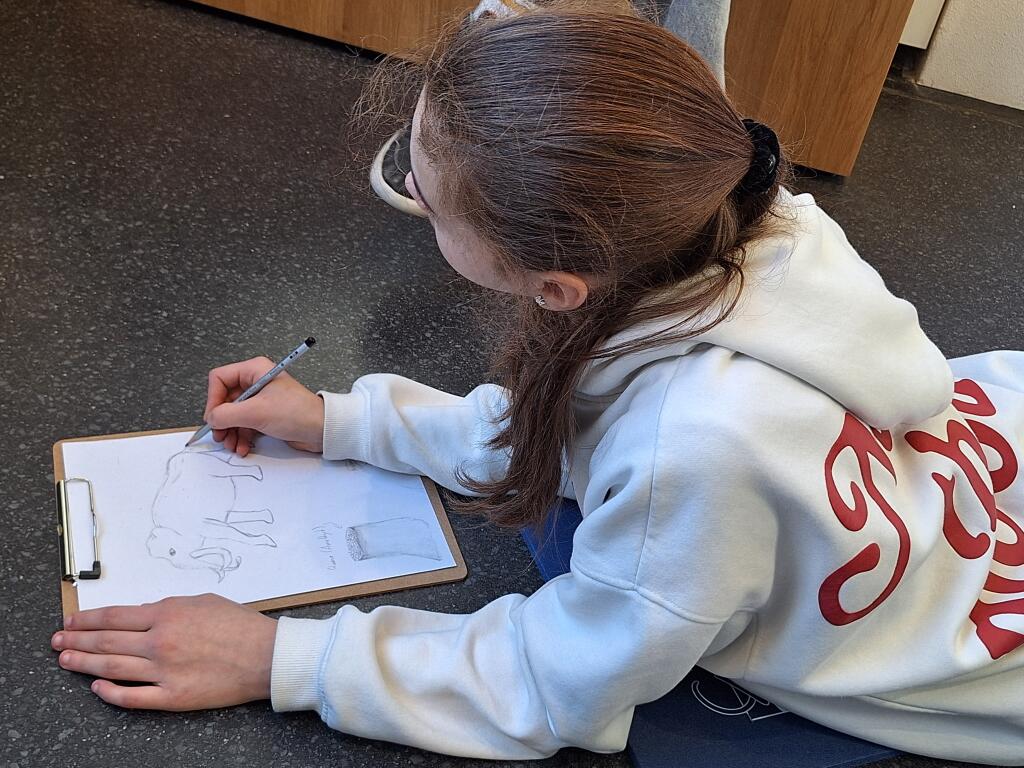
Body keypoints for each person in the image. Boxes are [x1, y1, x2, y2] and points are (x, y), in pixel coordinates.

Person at [49, 3, 1024, 764]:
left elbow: (559, 680)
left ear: (557, 286)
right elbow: (577, 424)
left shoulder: (696, 449)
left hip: (946, 640)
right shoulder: (734, 217)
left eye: (428, 202)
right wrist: (342, 421)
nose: (412, 195)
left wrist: (278, 657)